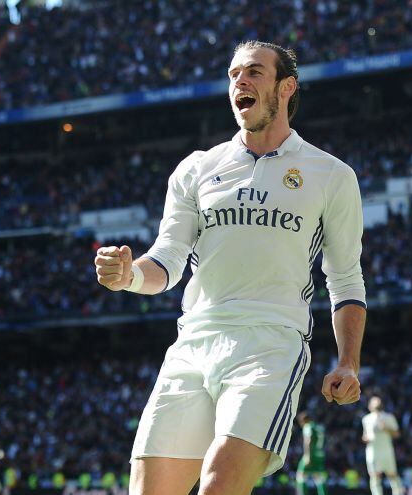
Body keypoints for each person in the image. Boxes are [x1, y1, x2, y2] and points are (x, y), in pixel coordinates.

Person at [94, 40, 366, 495]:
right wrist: (130, 276)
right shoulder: (197, 169)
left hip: (271, 344)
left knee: (220, 481)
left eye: (255, 72)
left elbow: (345, 280)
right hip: (194, 343)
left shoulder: (331, 175)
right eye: (234, 74)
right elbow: (167, 259)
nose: (240, 81)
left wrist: (349, 363)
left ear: (286, 87)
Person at [362, 396, 403, 495]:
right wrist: (365, 438)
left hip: (386, 451)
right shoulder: (366, 419)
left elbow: (397, 434)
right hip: (372, 452)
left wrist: (386, 428)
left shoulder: (389, 417)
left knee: (392, 475)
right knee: (374, 476)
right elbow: (364, 436)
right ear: (369, 406)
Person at [296, 412, 328, 495]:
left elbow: (308, 441)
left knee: (300, 475)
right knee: (318, 477)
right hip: (320, 454)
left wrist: (307, 456)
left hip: (311, 454)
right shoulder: (319, 427)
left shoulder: (307, 426)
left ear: (304, 420)